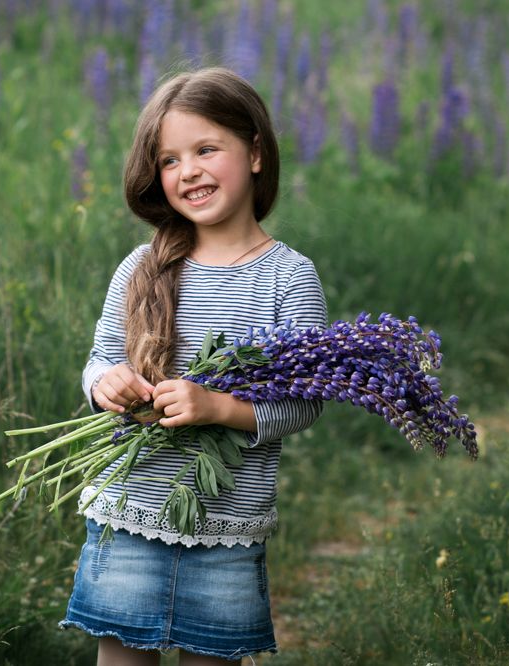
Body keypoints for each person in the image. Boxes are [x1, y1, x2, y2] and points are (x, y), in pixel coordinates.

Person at [60, 67, 328, 666]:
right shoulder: (142, 266)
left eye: (207, 149)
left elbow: (306, 400)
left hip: (226, 525)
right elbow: (101, 358)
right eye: (170, 160)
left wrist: (219, 408)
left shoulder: (288, 277)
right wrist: (106, 383)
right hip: (129, 511)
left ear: (255, 153)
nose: (189, 172)